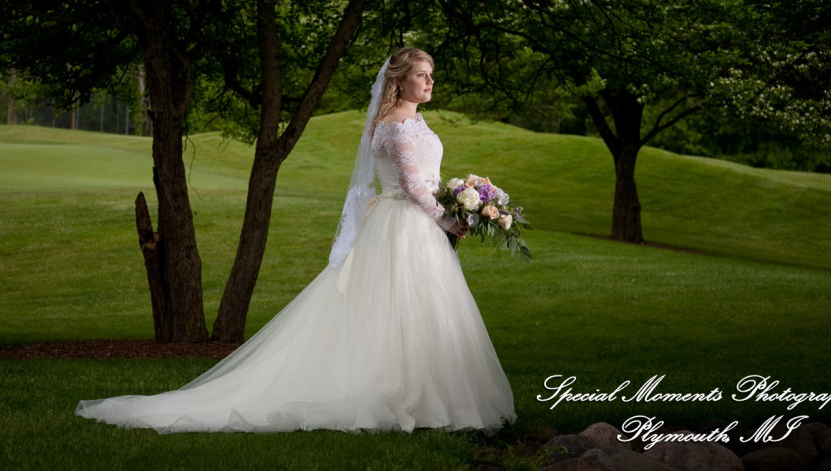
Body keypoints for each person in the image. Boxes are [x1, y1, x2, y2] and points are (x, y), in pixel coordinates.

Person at [76, 48, 515, 434]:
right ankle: (399, 398)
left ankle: (426, 395)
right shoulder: (396, 125)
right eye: (422, 74)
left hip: (414, 224)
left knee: (422, 312)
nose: (430, 81)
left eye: (430, 74)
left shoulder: (414, 120)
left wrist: (459, 201)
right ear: (398, 81)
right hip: (404, 223)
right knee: (398, 308)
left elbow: (427, 181)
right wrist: (447, 220)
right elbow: (411, 185)